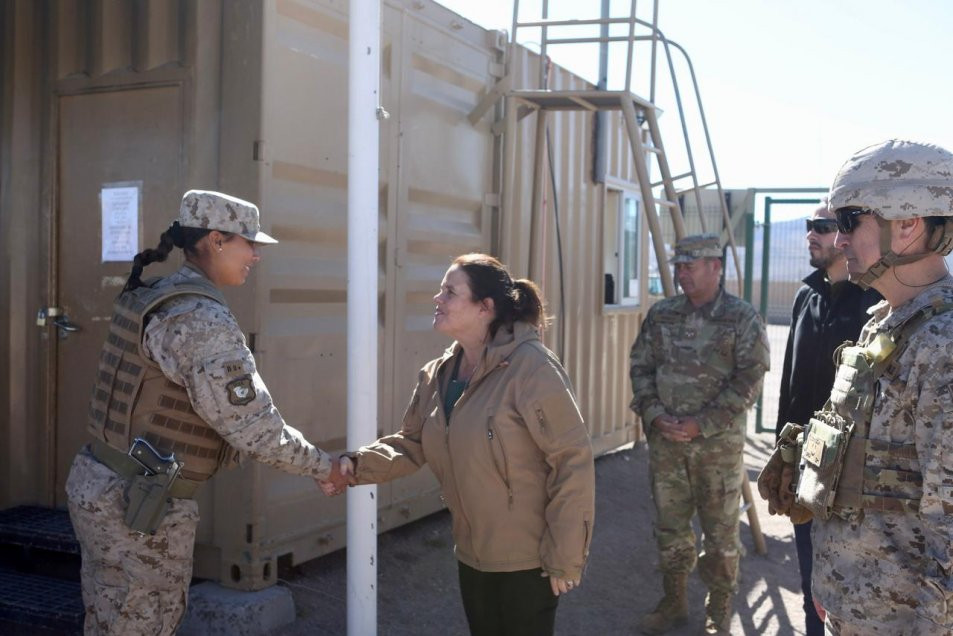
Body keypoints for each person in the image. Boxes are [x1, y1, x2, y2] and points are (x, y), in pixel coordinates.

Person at [66, 190, 335, 636]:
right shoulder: (199, 319)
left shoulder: (159, 295)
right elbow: (253, 428)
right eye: (250, 244)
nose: (256, 256)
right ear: (216, 240)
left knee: (110, 618)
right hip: (138, 508)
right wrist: (323, 466)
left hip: (104, 485)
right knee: (141, 623)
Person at [322, 253, 595, 636]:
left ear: (485, 307)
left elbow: (572, 459)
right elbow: (411, 443)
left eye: (450, 292)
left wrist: (566, 558)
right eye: (440, 290)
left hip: (528, 559)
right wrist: (355, 465)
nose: (437, 299)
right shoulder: (438, 374)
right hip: (471, 554)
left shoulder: (530, 367)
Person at [802, 140, 953, 633]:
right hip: (854, 602)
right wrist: (835, 583)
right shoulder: (883, 325)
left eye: (848, 221)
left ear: (907, 225)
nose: (838, 238)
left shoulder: (943, 344)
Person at [629, 233, 770, 635]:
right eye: (678, 266)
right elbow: (640, 367)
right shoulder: (662, 315)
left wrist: (701, 424)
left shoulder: (741, 318)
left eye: (690, 266)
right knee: (670, 530)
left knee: (721, 536)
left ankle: (718, 612)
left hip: (716, 451)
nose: (682, 273)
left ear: (716, 268)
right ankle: (673, 603)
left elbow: (749, 380)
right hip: (667, 446)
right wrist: (655, 415)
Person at [774, 200, 881, 636]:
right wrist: (783, 454)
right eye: (808, 226)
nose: (811, 235)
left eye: (821, 226)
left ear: (844, 234)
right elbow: (790, 380)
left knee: (850, 589)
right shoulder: (807, 294)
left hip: (853, 477)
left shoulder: (875, 301)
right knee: (809, 581)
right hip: (805, 467)